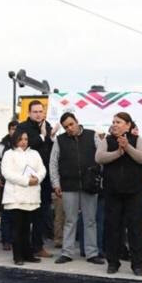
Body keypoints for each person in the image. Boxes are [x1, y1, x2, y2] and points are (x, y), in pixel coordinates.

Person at [95, 112, 142, 276]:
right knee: (113, 228)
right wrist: (118, 152)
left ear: (128, 125)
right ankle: (113, 262)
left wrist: (127, 147)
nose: (115, 124)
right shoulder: (107, 140)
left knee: (135, 229)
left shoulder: (138, 140)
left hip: (134, 192)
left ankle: (137, 264)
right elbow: (99, 157)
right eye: (113, 122)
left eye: (119, 122)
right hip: (113, 192)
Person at [50, 112, 105, 265]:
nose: (69, 128)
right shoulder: (60, 140)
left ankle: (92, 253)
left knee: (90, 220)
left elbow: (101, 157)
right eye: (66, 126)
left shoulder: (92, 135)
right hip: (68, 186)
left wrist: (98, 177)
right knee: (70, 220)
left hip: (89, 185)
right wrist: (56, 183)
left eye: (71, 124)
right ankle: (67, 253)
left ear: (77, 121)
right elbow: (53, 163)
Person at [1, 131, 47, 265]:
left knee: (27, 228)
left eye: (26, 139)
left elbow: (42, 169)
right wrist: (26, 181)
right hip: (15, 197)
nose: (23, 142)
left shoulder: (34, 153)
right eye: (21, 139)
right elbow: (7, 173)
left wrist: (37, 178)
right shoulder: (9, 154)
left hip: (31, 196)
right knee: (17, 228)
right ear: (15, 140)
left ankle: (28, 254)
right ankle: (18, 256)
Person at [15, 100, 55, 257]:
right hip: (27, 178)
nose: (38, 114)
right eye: (35, 111)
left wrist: (50, 137)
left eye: (41, 111)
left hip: (44, 177)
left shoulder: (48, 126)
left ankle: (38, 246)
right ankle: (23, 248)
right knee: (25, 214)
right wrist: (43, 136)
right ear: (29, 113)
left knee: (42, 213)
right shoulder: (22, 127)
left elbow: (51, 149)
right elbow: (25, 145)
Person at [0, 120, 18, 250]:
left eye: (16, 128)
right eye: (12, 128)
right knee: (6, 213)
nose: (14, 131)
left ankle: (16, 239)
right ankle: (6, 240)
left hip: (21, 184)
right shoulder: (1, 146)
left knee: (19, 214)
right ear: (9, 130)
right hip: (5, 185)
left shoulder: (24, 144)